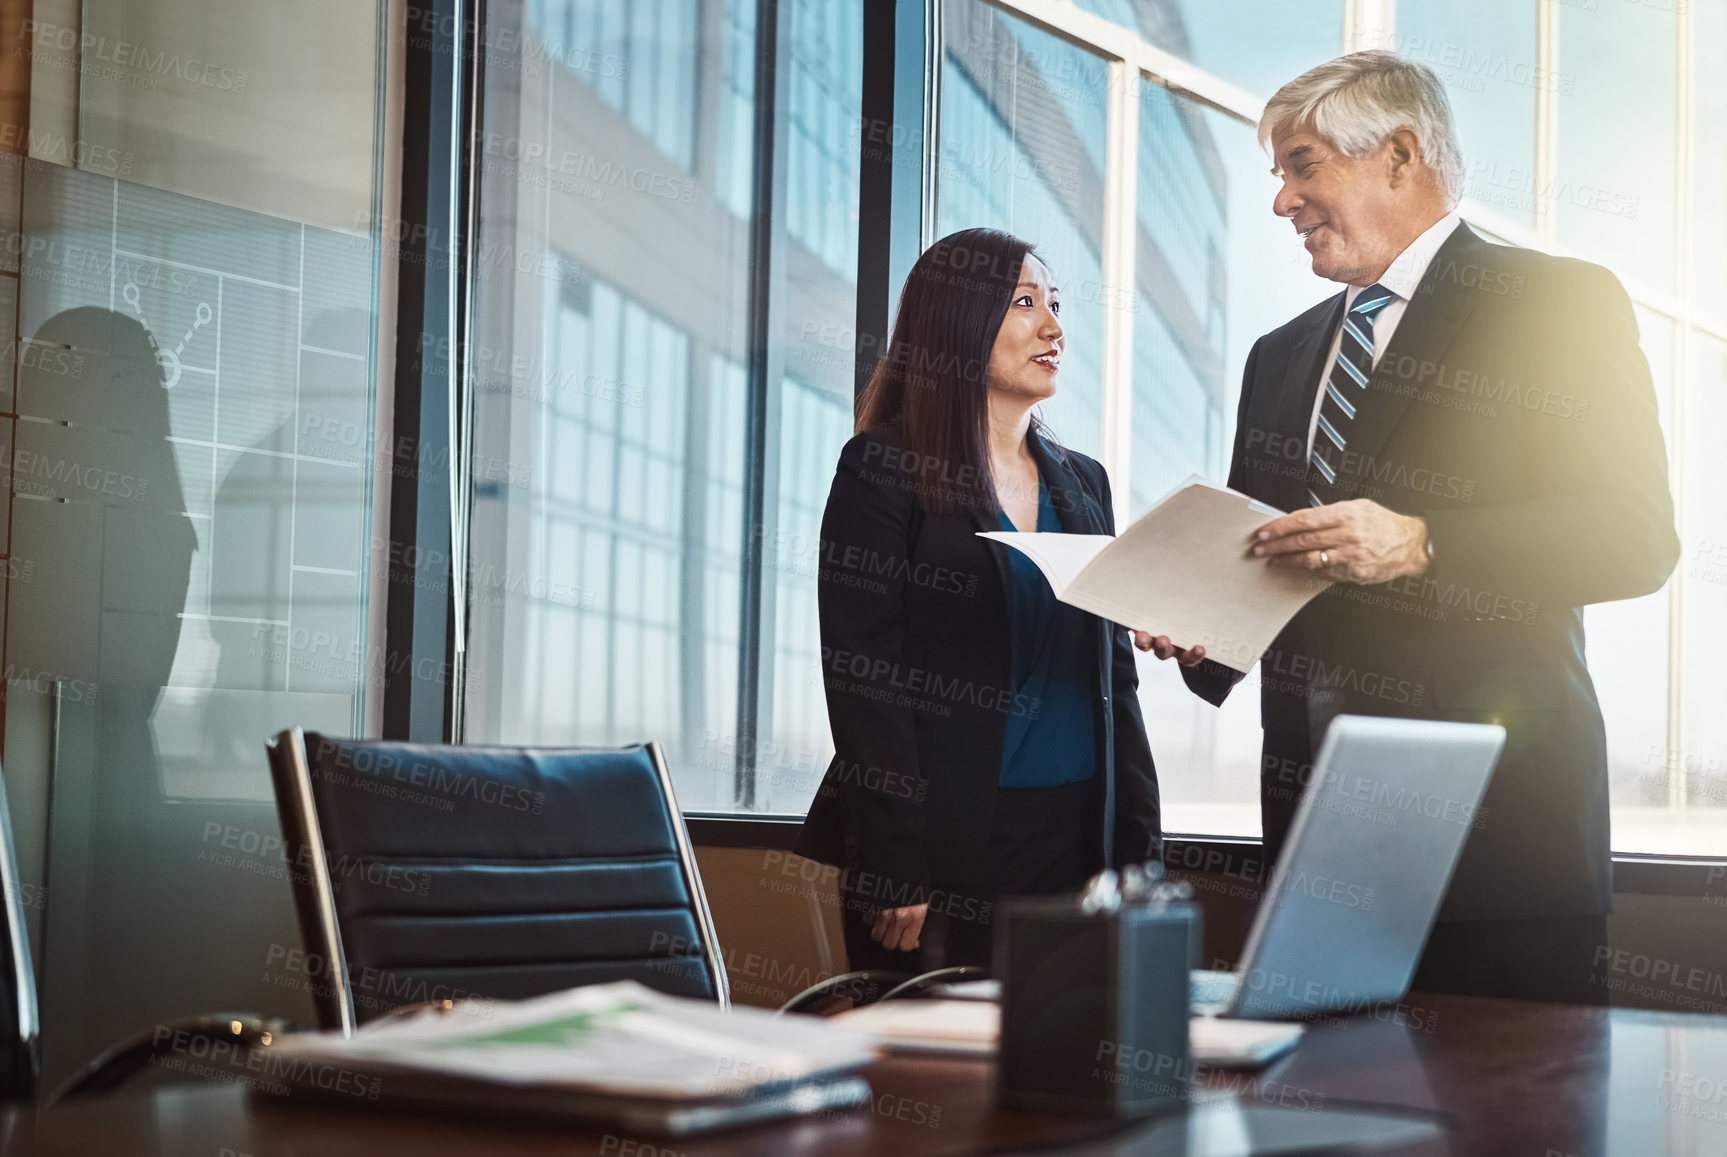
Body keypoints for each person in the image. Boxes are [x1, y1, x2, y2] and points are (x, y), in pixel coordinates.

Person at [1141, 51, 1678, 1004]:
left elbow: (1632, 534)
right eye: (1277, 176)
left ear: (1396, 155)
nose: (1281, 202)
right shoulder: (1280, 355)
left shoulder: (1556, 300)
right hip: (1315, 847)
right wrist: (1198, 623)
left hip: (1500, 840)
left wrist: (1423, 541)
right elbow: (1264, 566)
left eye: (1302, 167)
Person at [795, 227, 1161, 972]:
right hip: (941, 843)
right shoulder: (883, 468)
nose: (1053, 326)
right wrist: (896, 860)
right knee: (933, 1079)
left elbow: (1111, 677)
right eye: (1024, 302)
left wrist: (1139, 845)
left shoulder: (1083, 481)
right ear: (957, 321)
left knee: (1056, 1069)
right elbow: (863, 674)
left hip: (1074, 842)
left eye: (1054, 304)